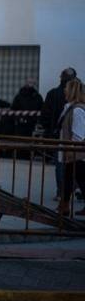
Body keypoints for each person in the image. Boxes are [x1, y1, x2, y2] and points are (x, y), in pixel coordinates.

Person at [39, 68, 78, 199]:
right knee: (72, 165)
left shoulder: (53, 94)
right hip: (69, 138)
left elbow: (45, 116)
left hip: (60, 137)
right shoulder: (77, 97)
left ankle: (63, 193)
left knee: (61, 165)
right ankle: (69, 193)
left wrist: (50, 131)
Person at [57, 78, 85, 217]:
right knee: (69, 178)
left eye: (67, 88)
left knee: (79, 179)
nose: (64, 90)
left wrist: (70, 149)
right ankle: (64, 205)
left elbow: (79, 134)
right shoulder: (69, 107)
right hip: (70, 151)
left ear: (72, 91)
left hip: (76, 153)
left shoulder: (78, 109)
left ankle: (64, 206)